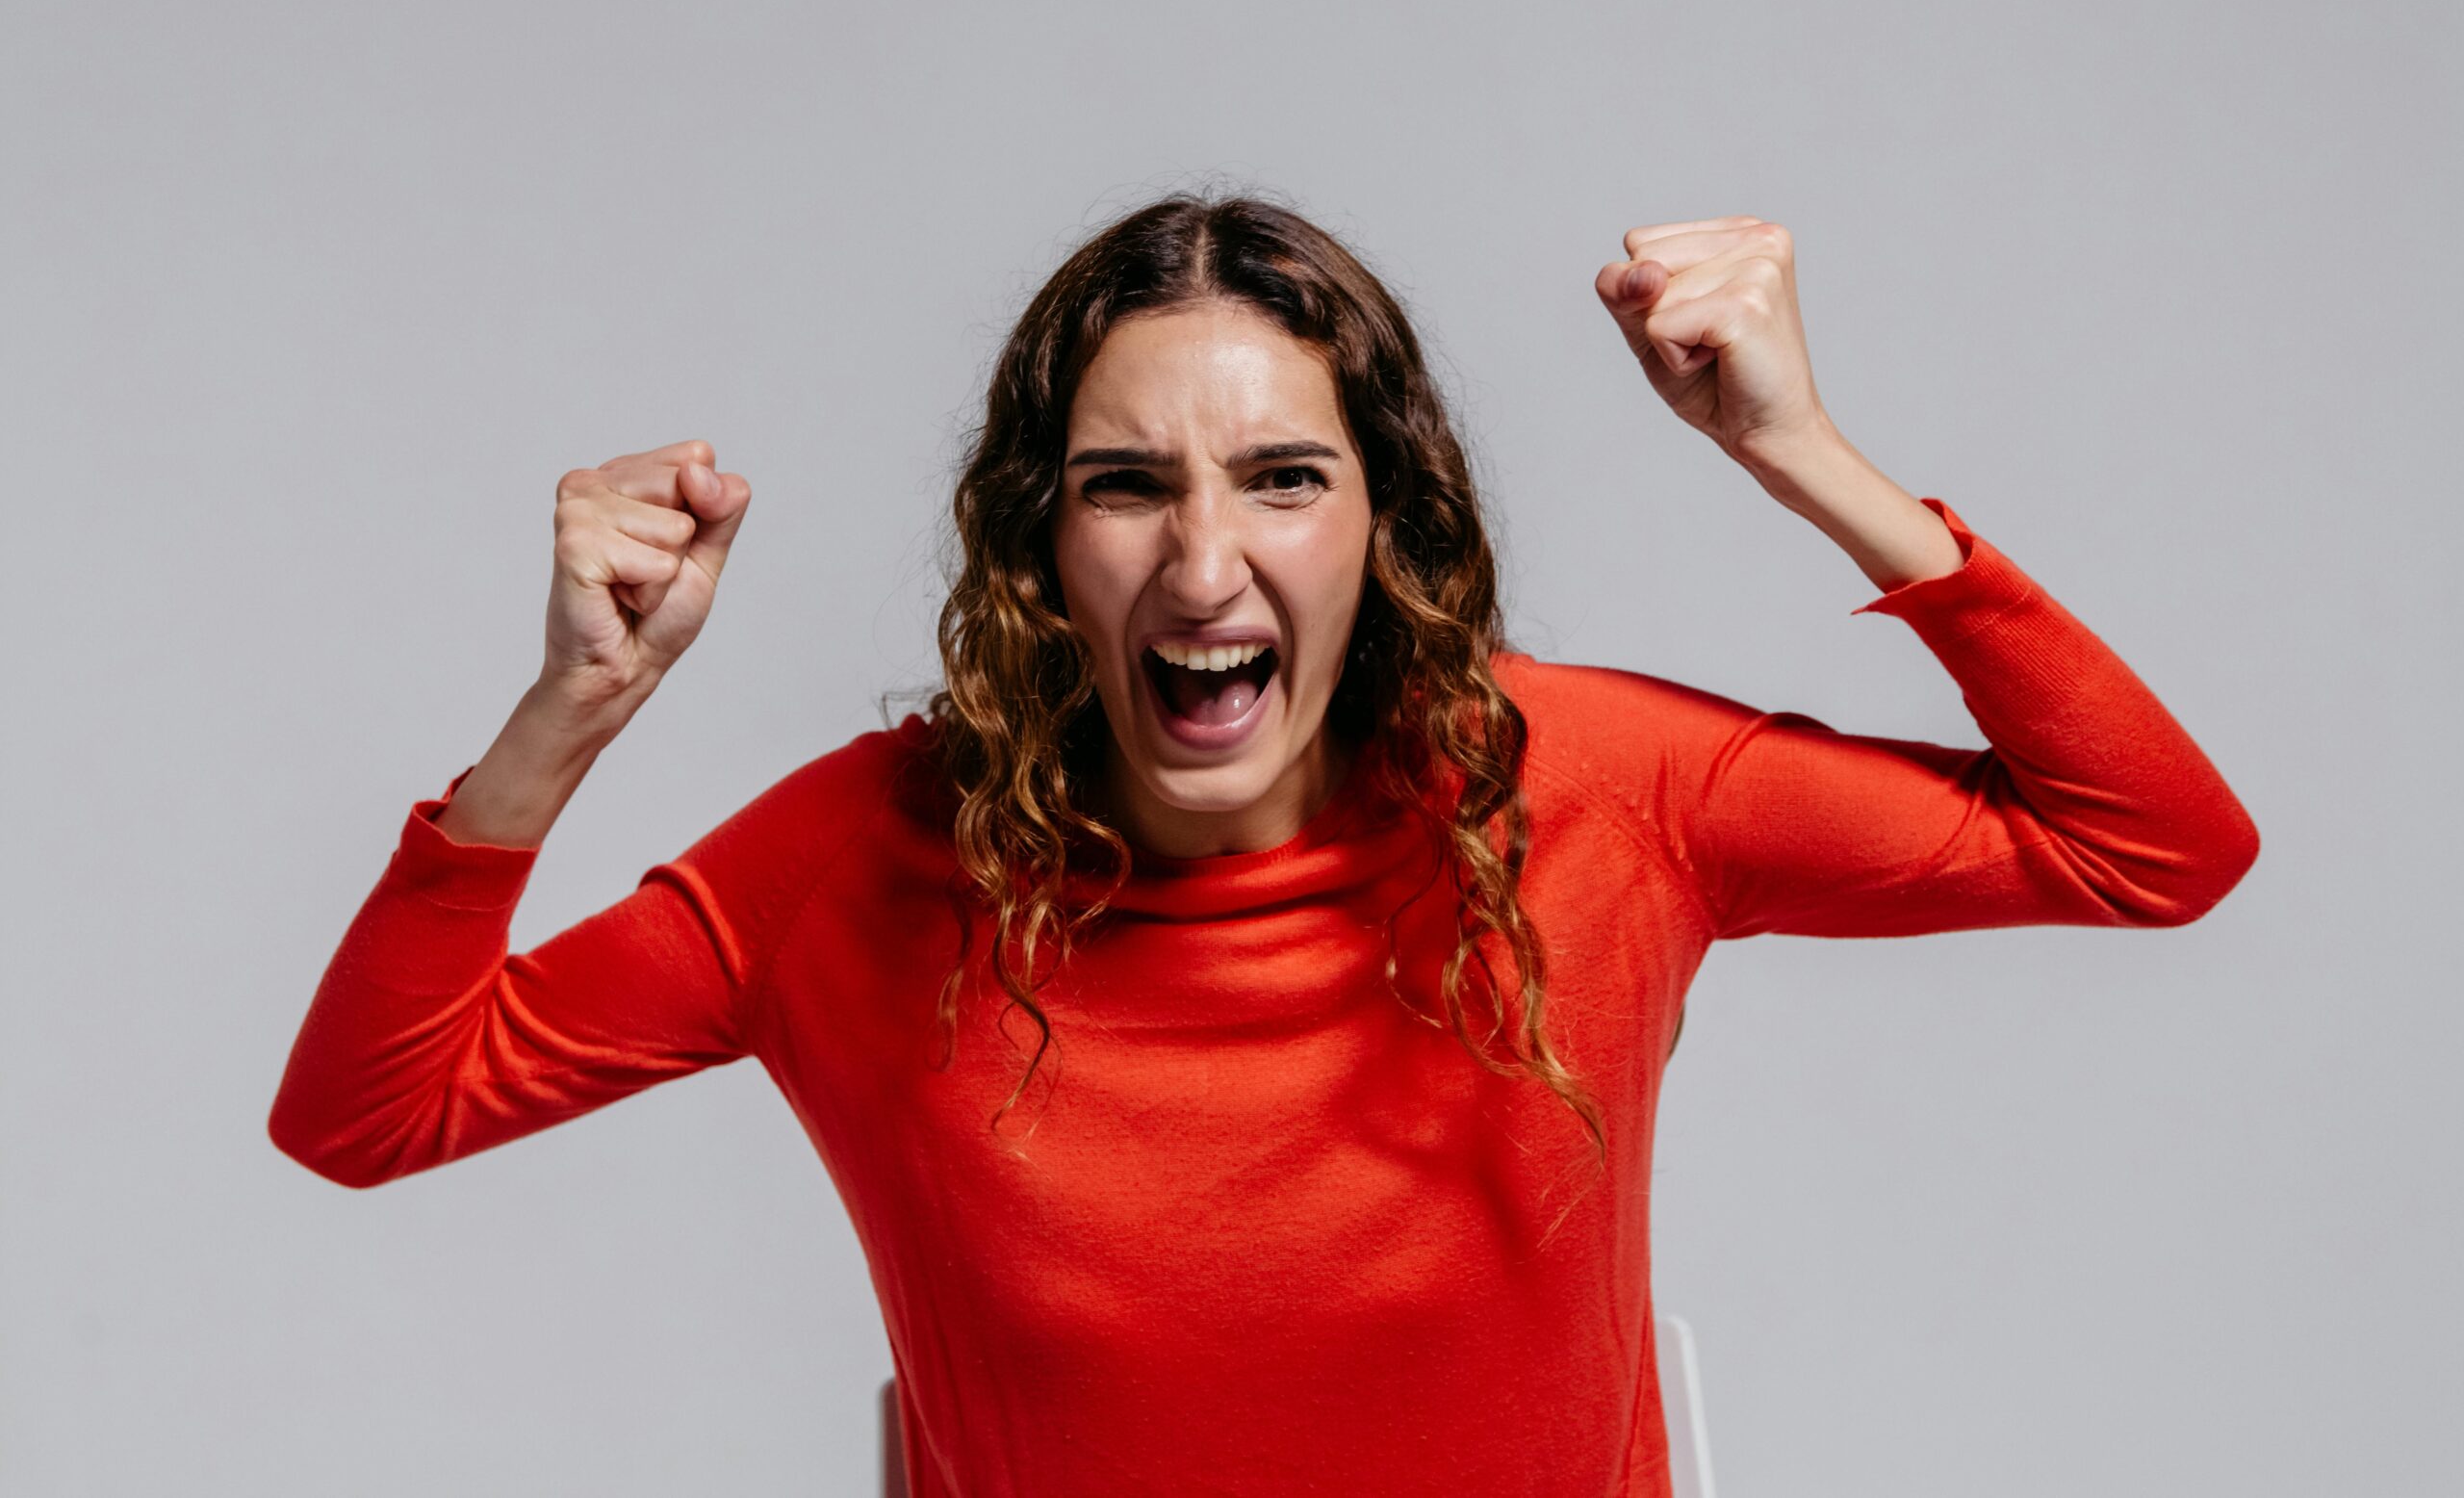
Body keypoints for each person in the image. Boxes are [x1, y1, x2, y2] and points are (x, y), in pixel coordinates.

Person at [267, 194, 2260, 1497]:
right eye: (1125, 484)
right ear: (1041, 545)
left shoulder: (1594, 785)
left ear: (1377, 523)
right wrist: (571, 716)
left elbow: (2153, 842)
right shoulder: (870, 856)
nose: (1204, 560)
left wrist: (1797, 454)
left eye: (1284, 477)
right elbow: (370, 1105)